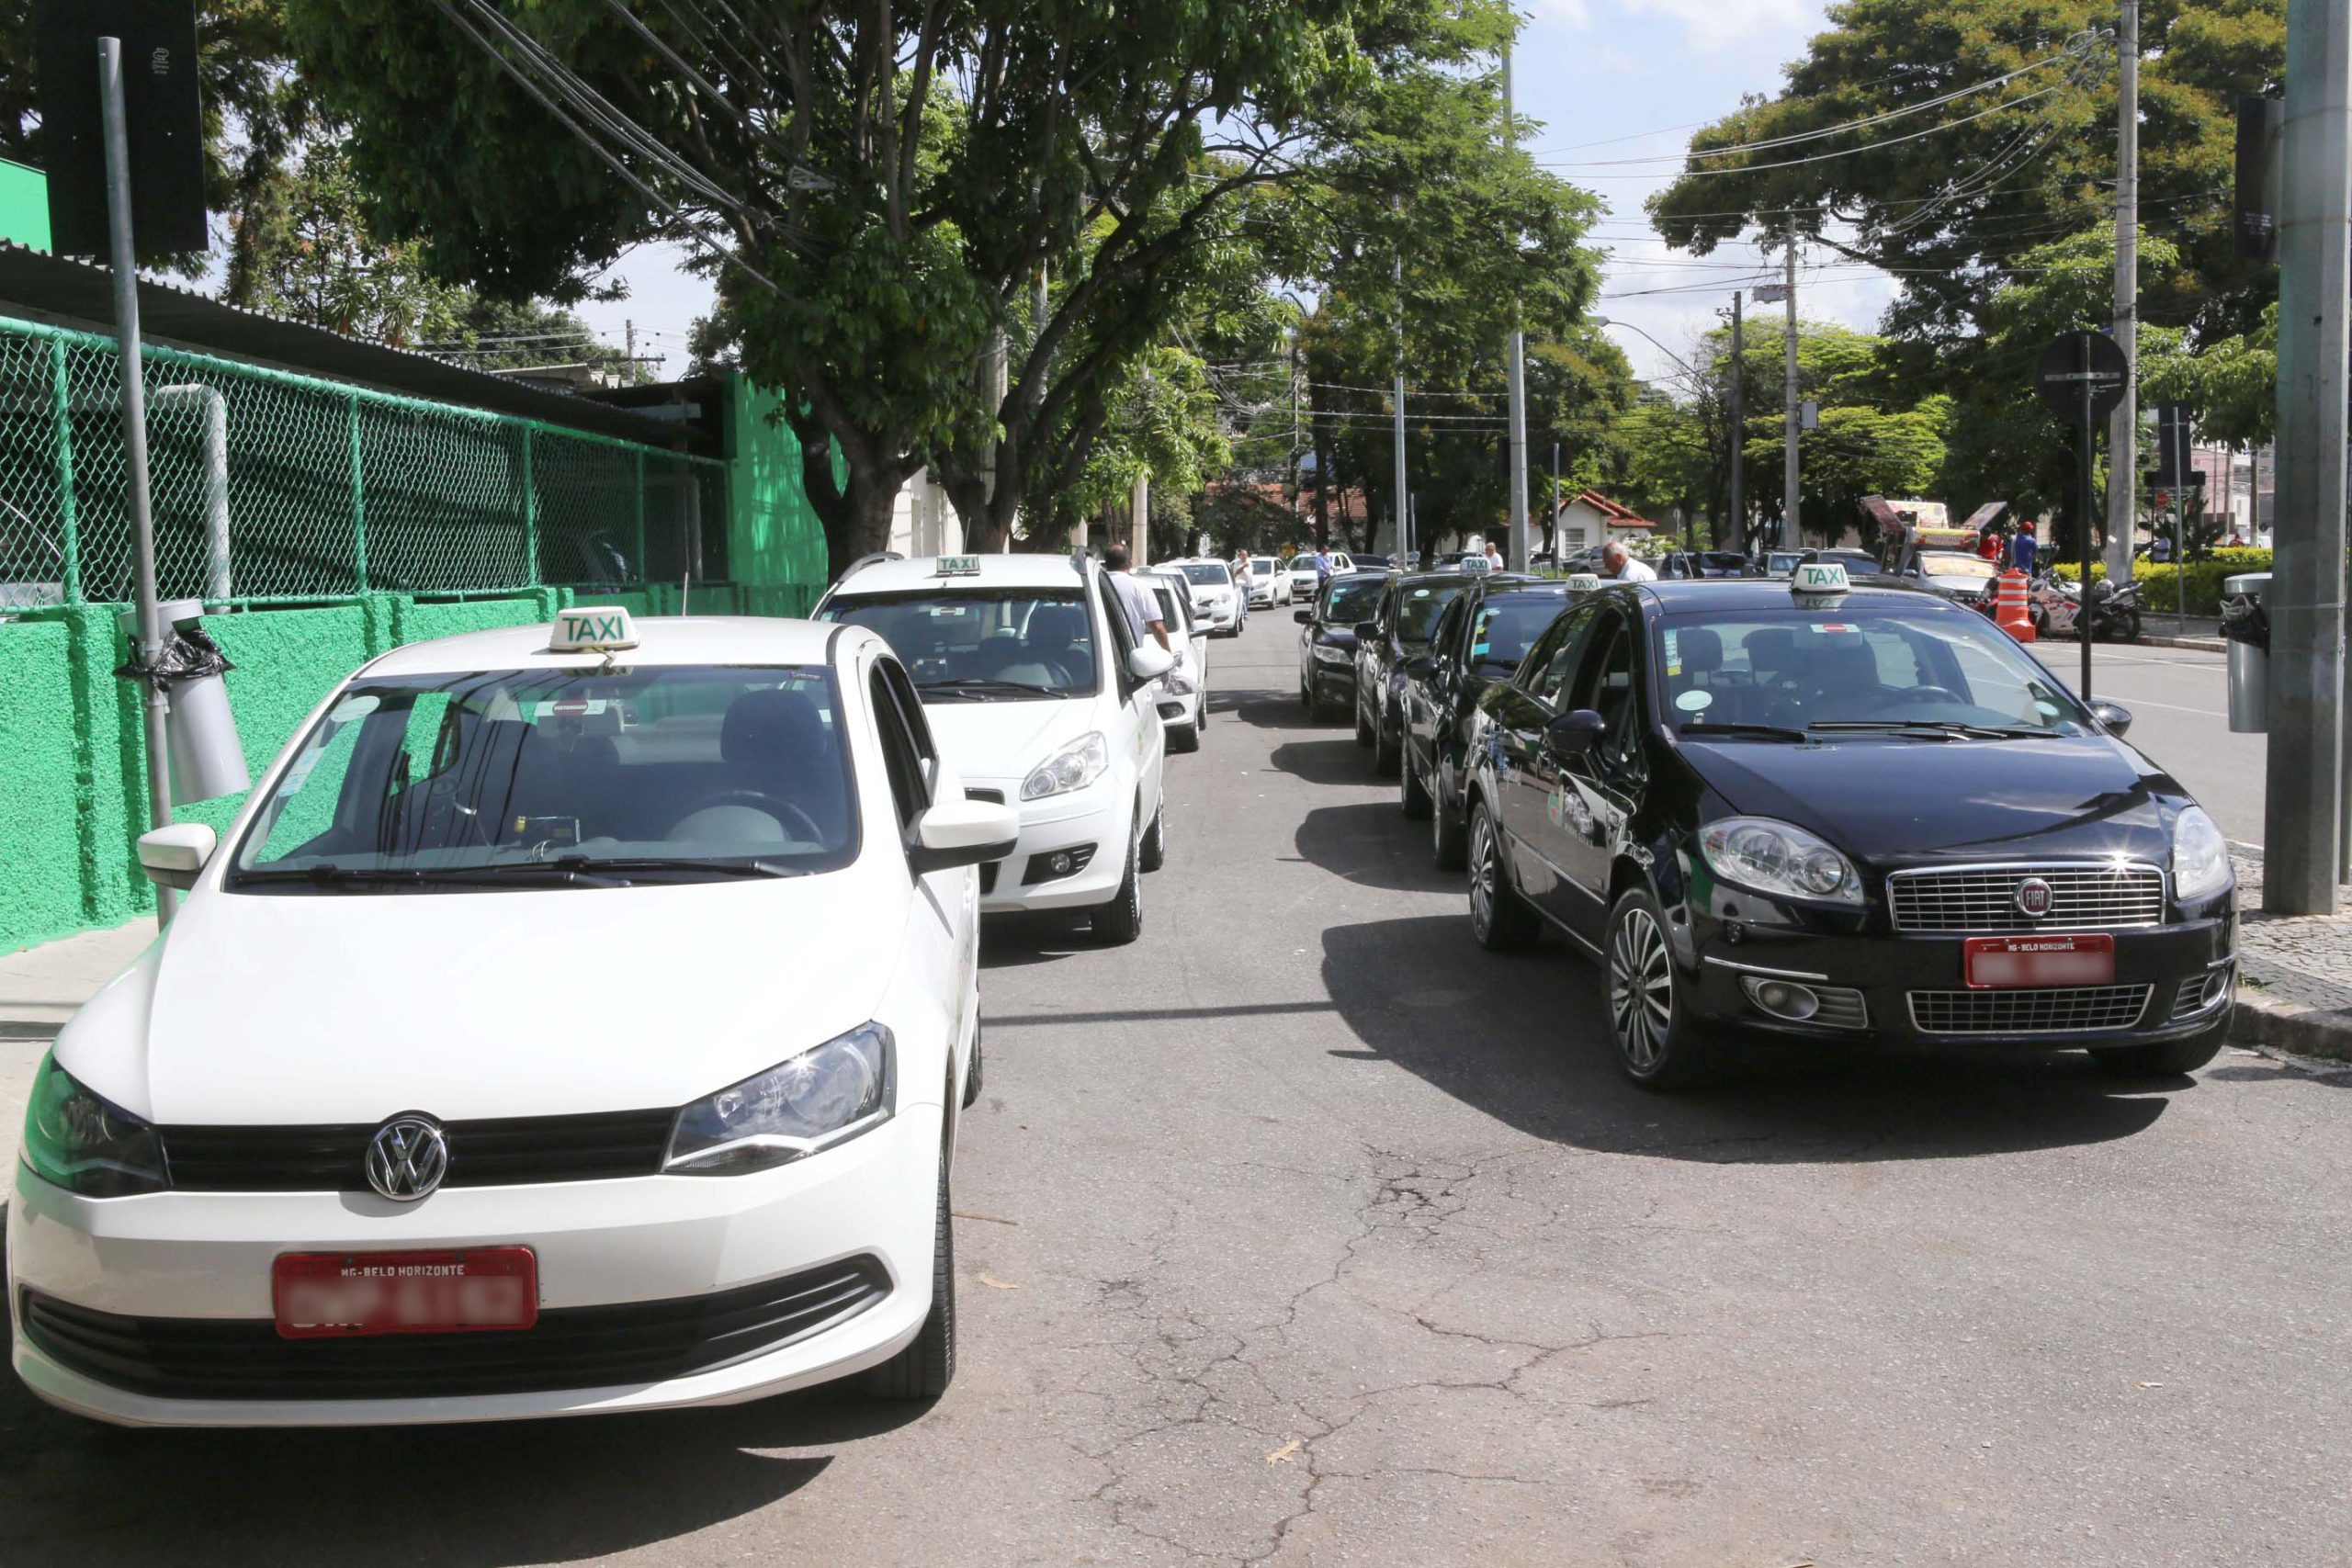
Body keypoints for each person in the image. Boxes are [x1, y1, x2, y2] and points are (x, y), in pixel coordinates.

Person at [1103, 543, 1170, 651]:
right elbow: (1156, 626)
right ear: (1130, 563)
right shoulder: (1139, 586)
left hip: (1095, 656)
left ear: (1106, 563)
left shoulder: (1095, 584)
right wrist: (1167, 652)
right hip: (1127, 655)